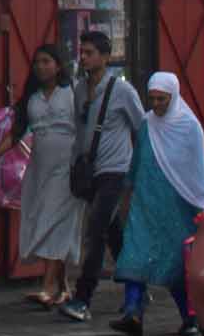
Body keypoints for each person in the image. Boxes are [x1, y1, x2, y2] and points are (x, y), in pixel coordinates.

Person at [110, 73, 204, 336]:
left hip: (177, 204)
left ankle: (190, 321)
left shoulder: (189, 127)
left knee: (176, 265)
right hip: (145, 202)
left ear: (174, 97)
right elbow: (137, 160)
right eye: (152, 98)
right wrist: (128, 193)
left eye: (162, 99)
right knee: (136, 254)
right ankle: (132, 313)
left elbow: (198, 170)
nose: (156, 104)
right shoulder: (146, 124)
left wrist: (202, 203)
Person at [59, 31, 148, 324]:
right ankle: (137, 284)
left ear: (105, 57)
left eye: (89, 53)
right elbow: (79, 130)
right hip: (89, 172)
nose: (83, 57)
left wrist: (138, 171)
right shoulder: (80, 89)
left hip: (115, 171)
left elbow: (142, 130)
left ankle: (83, 298)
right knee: (113, 233)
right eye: (81, 53)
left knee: (95, 230)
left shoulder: (123, 91)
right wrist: (74, 165)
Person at [0, 43, 84, 307]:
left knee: (53, 221)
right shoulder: (31, 97)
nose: (42, 67)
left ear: (58, 65)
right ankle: (64, 287)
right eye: (38, 62)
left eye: (47, 61)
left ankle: (48, 287)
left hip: (67, 166)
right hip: (39, 167)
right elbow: (18, 129)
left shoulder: (72, 93)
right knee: (45, 220)